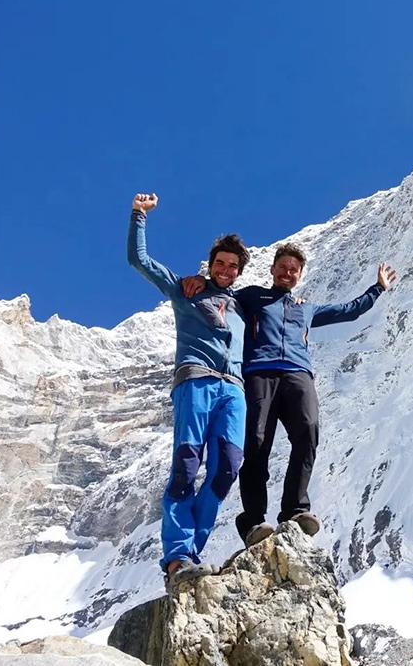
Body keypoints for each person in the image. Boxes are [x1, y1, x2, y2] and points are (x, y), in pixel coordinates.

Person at [182, 242, 396, 546]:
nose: (287, 272)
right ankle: (253, 520)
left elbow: (348, 311)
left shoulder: (305, 307)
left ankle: (295, 511)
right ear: (272, 269)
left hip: (298, 374)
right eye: (282, 267)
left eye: (293, 269)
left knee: (308, 434)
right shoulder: (252, 296)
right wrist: (202, 281)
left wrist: (377, 288)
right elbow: (223, 293)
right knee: (256, 443)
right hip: (259, 373)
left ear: (299, 275)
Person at [127, 193, 250, 586]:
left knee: (226, 468)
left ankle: (191, 552)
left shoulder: (244, 306)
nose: (226, 269)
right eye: (220, 263)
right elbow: (139, 261)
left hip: (234, 390)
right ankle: (178, 559)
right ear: (210, 265)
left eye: (233, 266)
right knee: (186, 465)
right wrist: (138, 216)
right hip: (195, 380)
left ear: (239, 271)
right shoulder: (187, 290)